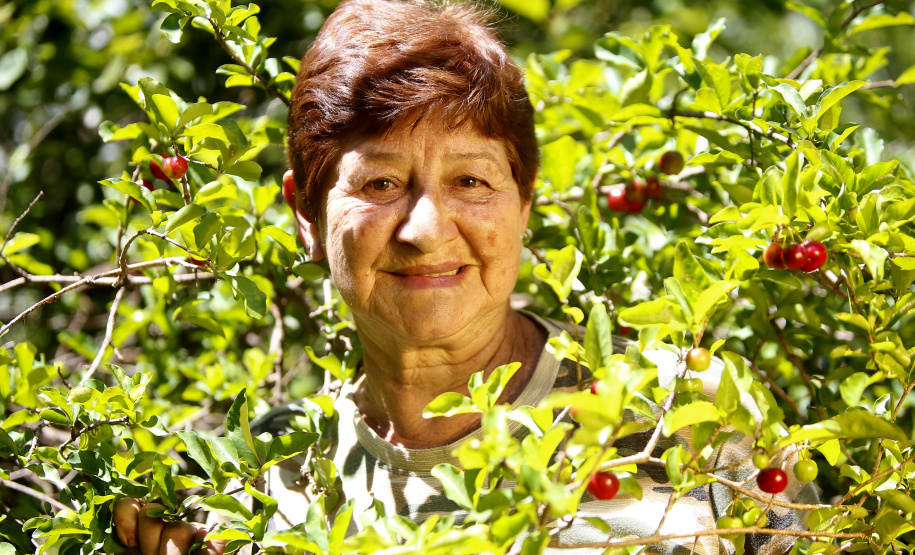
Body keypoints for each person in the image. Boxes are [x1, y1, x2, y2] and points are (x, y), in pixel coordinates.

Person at [113, 0, 817, 553]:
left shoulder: (687, 415)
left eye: (471, 180)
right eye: (381, 181)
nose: (425, 230)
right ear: (305, 209)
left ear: (524, 201)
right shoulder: (259, 479)